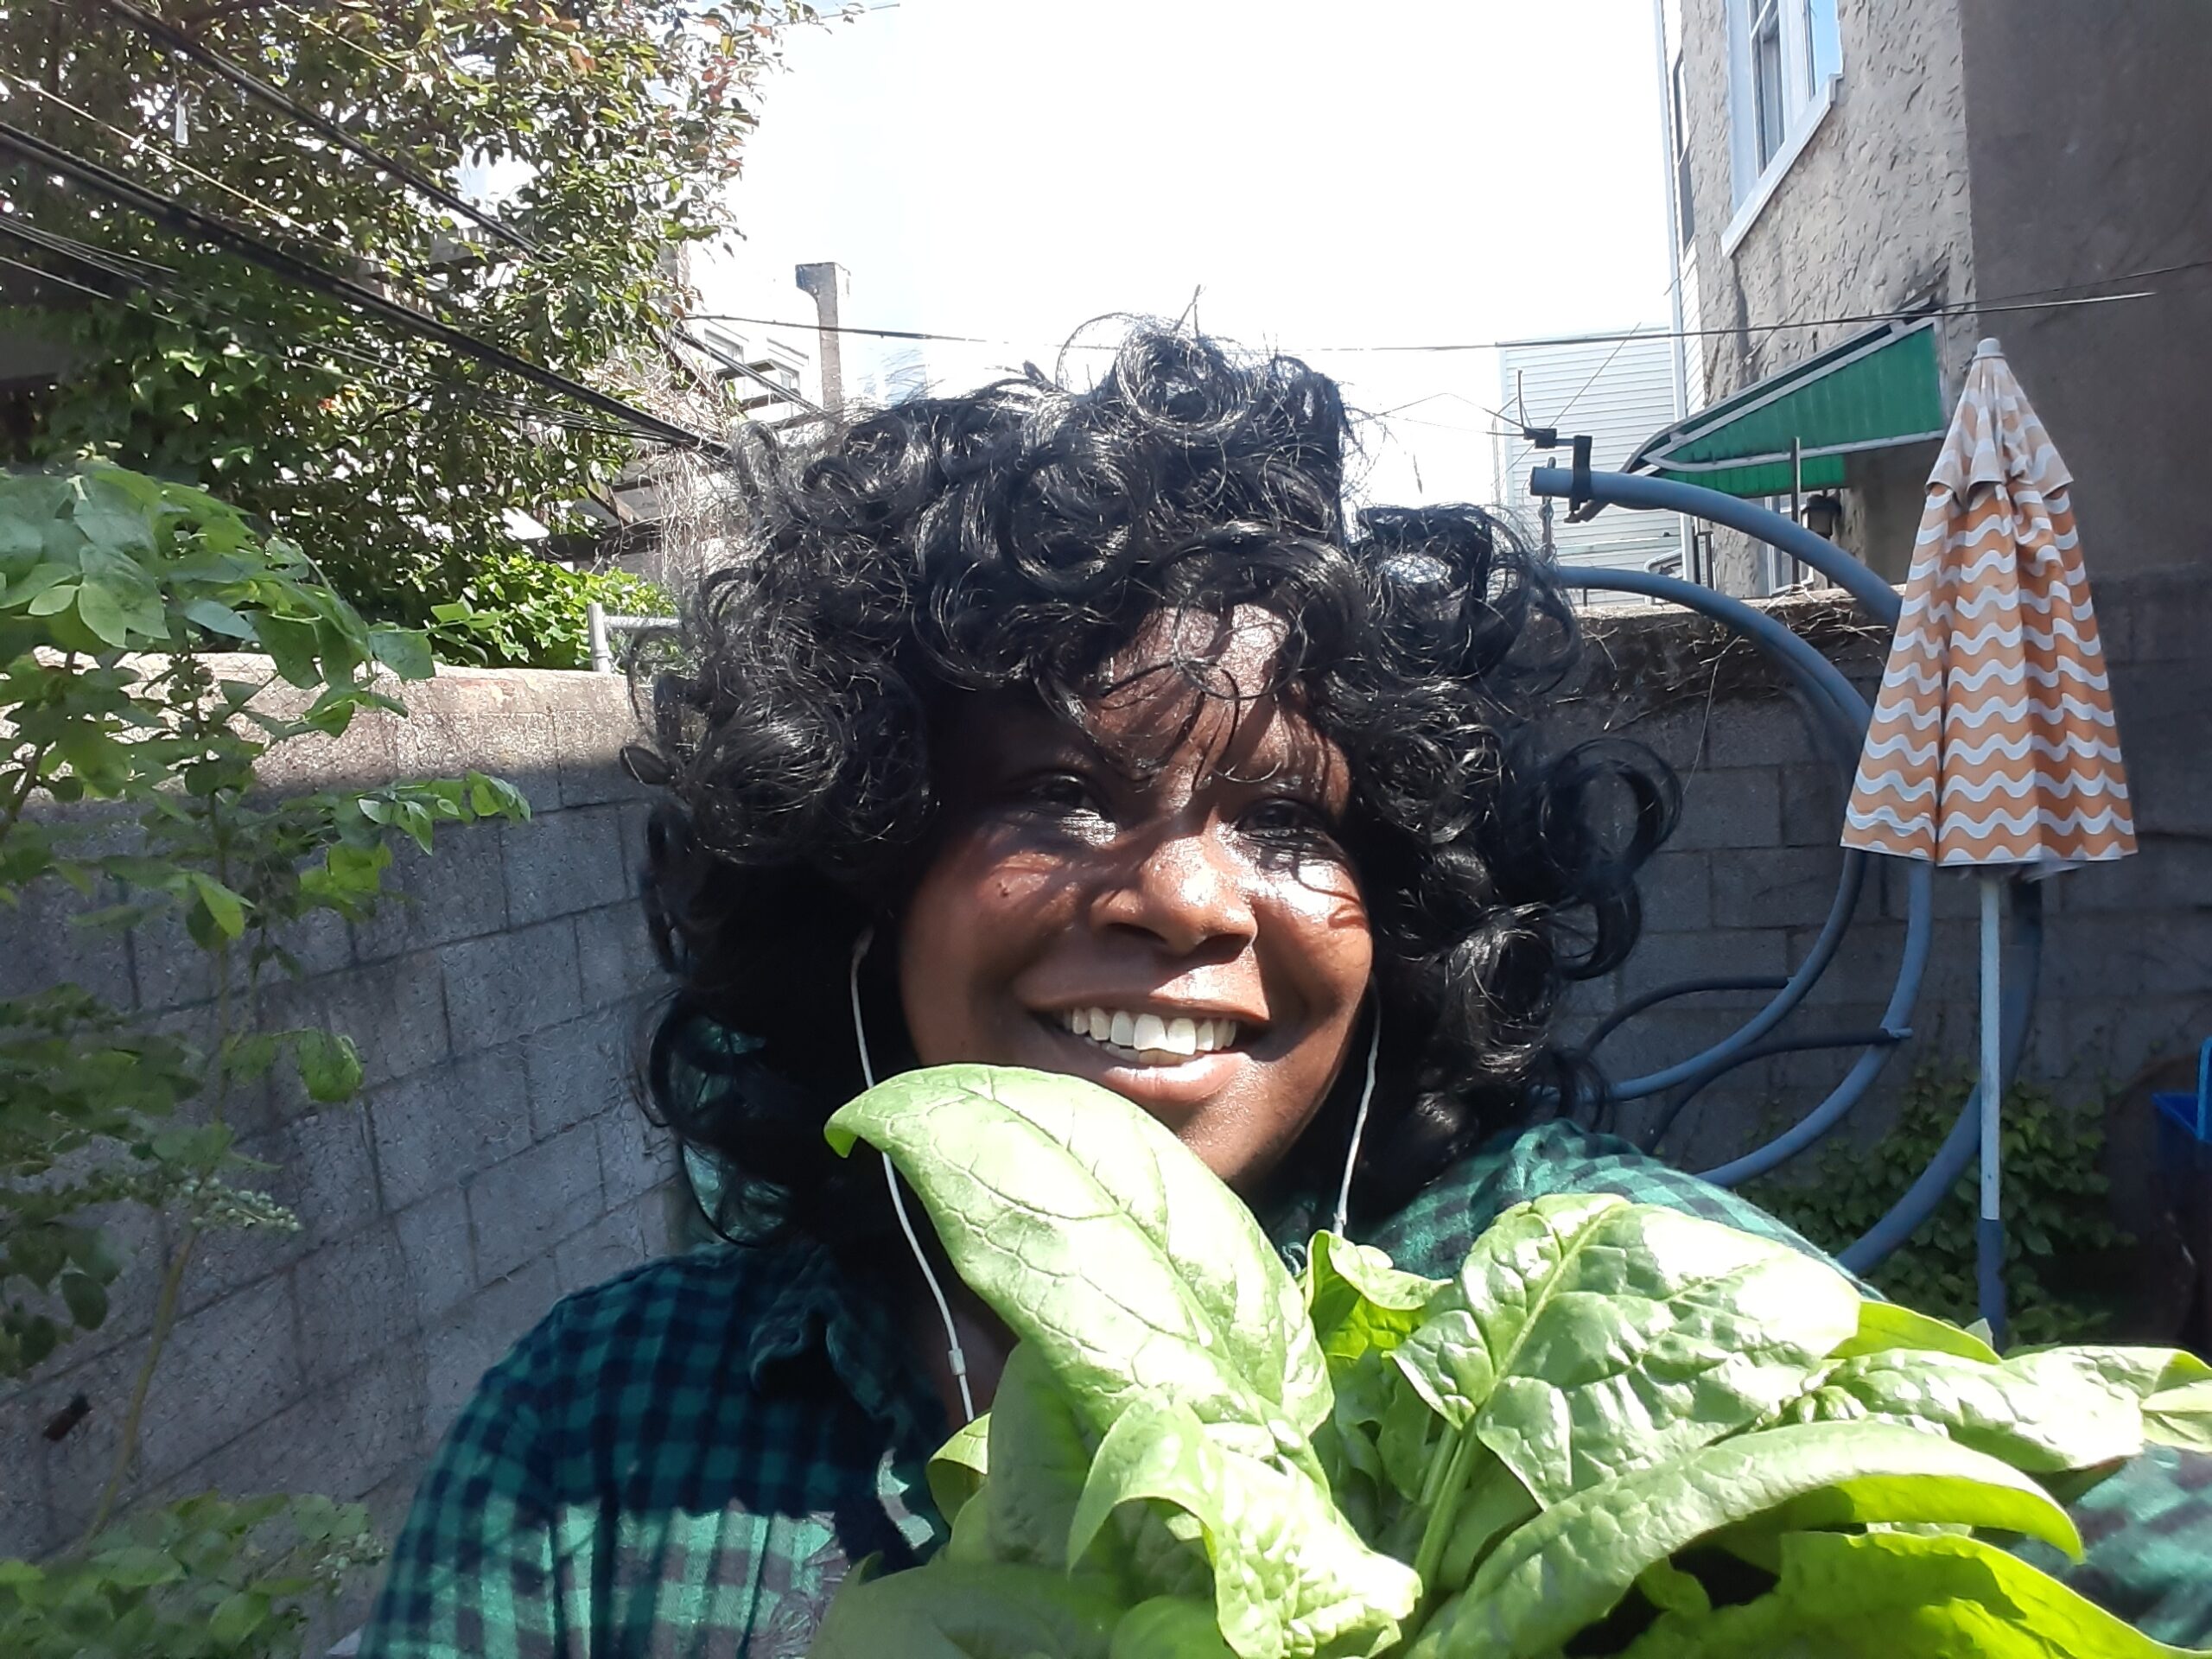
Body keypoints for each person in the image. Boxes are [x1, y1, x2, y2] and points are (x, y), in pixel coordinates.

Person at [359, 332, 2209, 1658]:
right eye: (1057, 792)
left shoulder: (1562, 1301)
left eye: (1281, 819)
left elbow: (2105, 1519)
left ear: (1399, 921)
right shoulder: (607, 1426)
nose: (1180, 896)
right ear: (860, 880)